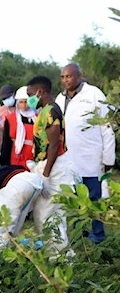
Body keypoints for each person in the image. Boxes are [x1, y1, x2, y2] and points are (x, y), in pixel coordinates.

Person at [56, 63, 116, 243]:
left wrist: (108, 157)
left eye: (69, 76)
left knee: (94, 199)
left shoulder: (94, 94)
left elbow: (107, 127)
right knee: (74, 200)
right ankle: (78, 234)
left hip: (92, 159)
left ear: (79, 76)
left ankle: (98, 235)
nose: (66, 80)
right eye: (63, 77)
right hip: (70, 161)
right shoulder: (60, 99)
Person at [26, 76, 79, 252]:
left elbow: (54, 144)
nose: (29, 99)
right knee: (49, 215)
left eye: (30, 94)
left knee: (48, 215)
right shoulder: (46, 110)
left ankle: (61, 257)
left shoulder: (50, 111)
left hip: (53, 167)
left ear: (40, 92)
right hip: (49, 164)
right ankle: (58, 255)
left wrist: (46, 174)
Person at [0, 86, 36, 169]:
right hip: (16, 159)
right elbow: (6, 143)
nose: (23, 105)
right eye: (21, 102)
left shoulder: (37, 118)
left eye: (26, 102)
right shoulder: (10, 119)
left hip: (33, 159)